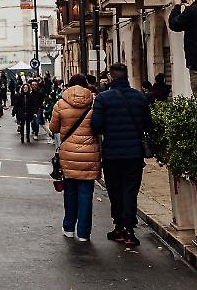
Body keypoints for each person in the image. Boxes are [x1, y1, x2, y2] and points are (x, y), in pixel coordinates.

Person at [90, 62, 150, 247]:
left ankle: (119, 227)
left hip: (112, 153)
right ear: (126, 76)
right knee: (130, 191)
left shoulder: (103, 99)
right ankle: (130, 230)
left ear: (111, 77)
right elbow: (148, 125)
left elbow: (96, 126)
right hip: (134, 154)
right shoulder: (140, 98)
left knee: (115, 191)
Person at [50, 75, 99, 241]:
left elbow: (53, 128)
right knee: (86, 194)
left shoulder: (61, 103)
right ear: (86, 85)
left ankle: (69, 227)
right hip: (89, 154)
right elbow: (99, 126)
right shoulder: (94, 103)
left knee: (70, 192)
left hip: (68, 154)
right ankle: (84, 233)